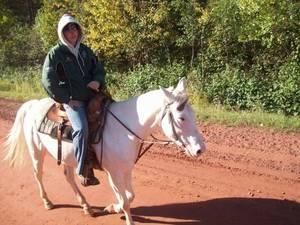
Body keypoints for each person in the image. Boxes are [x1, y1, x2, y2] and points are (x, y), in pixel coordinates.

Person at [42, 14, 106, 186]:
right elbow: (48, 81)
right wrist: (66, 99)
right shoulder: (55, 54)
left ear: (78, 30)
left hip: (92, 95)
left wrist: (97, 80)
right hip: (73, 100)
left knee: (112, 116)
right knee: (82, 128)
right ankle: (83, 170)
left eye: (74, 28)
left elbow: (98, 68)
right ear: (62, 33)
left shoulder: (85, 50)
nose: (72, 32)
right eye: (67, 29)